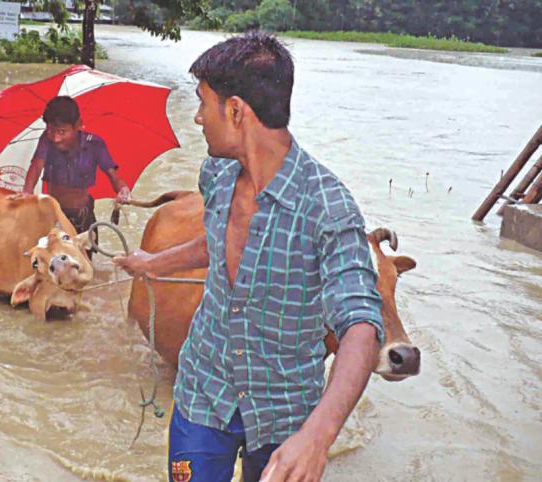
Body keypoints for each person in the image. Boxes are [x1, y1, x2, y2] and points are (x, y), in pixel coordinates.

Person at [113, 33, 384, 482]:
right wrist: (150, 264)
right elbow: (217, 239)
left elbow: (361, 325)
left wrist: (318, 436)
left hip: (285, 414)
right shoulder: (217, 173)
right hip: (204, 392)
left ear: (236, 110)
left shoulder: (328, 207)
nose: (197, 118)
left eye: (203, 103)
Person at [16, 96, 131, 234]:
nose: (56, 138)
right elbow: (36, 167)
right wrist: (27, 194)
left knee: (83, 253)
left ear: (78, 125)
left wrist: (123, 189)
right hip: (54, 214)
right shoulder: (46, 140)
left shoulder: (94, 144)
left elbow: (113, 176)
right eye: (51, 130)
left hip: (82, 215)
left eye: (62, 132)